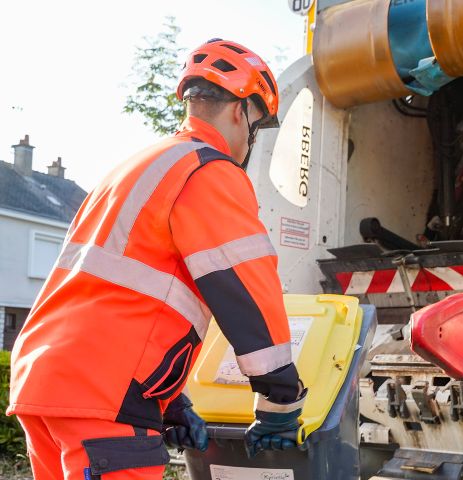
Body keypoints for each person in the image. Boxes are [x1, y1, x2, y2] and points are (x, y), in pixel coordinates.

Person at [7, 39, 306, 480]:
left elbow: (115, 291)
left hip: (46, 383)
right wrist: (280, 398)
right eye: (257, 128)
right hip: (105, 395)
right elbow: (245, 287)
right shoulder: (210, 170)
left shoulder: (138, 165)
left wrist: (171, 401)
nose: (250, 142)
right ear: (242, 111)